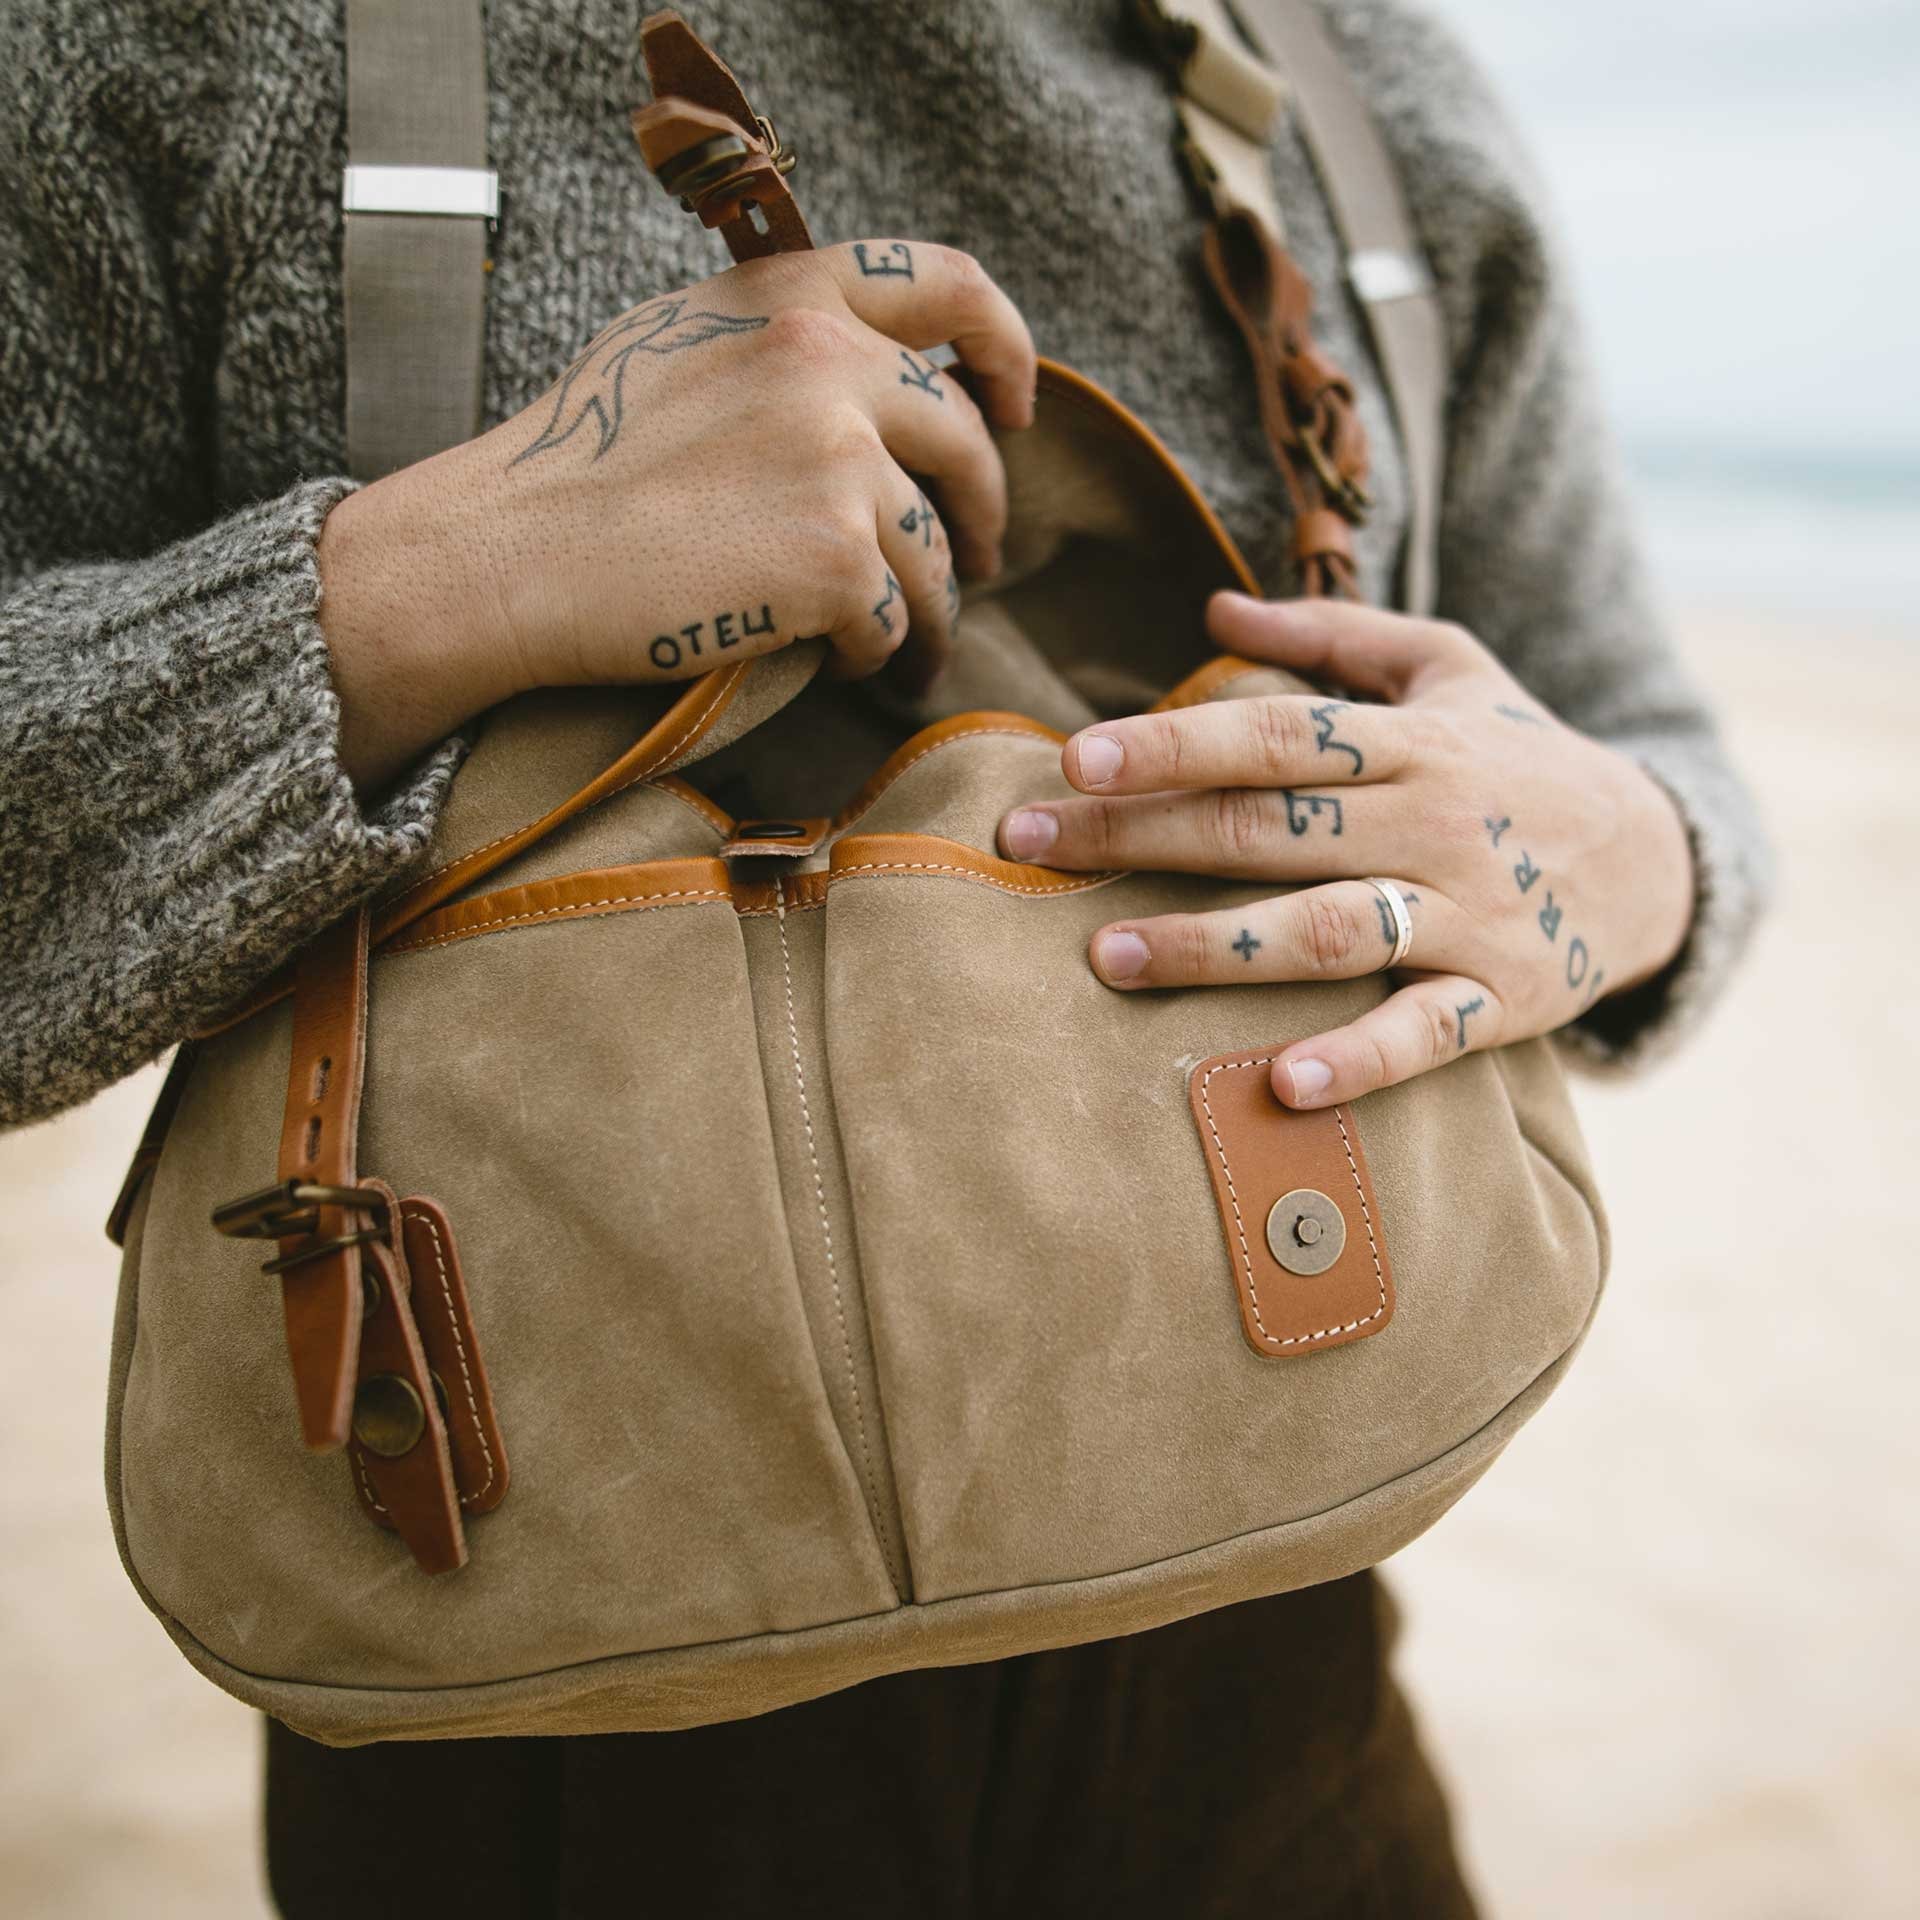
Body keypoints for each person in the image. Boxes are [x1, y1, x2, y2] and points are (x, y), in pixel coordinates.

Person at [0, 1, 1768, 1913]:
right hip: (513, 1712)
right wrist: (443, 569)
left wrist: (1630, 848)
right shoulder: (181, 42)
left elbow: (1629, 736)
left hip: (1287, 1646)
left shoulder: (1362, 85)